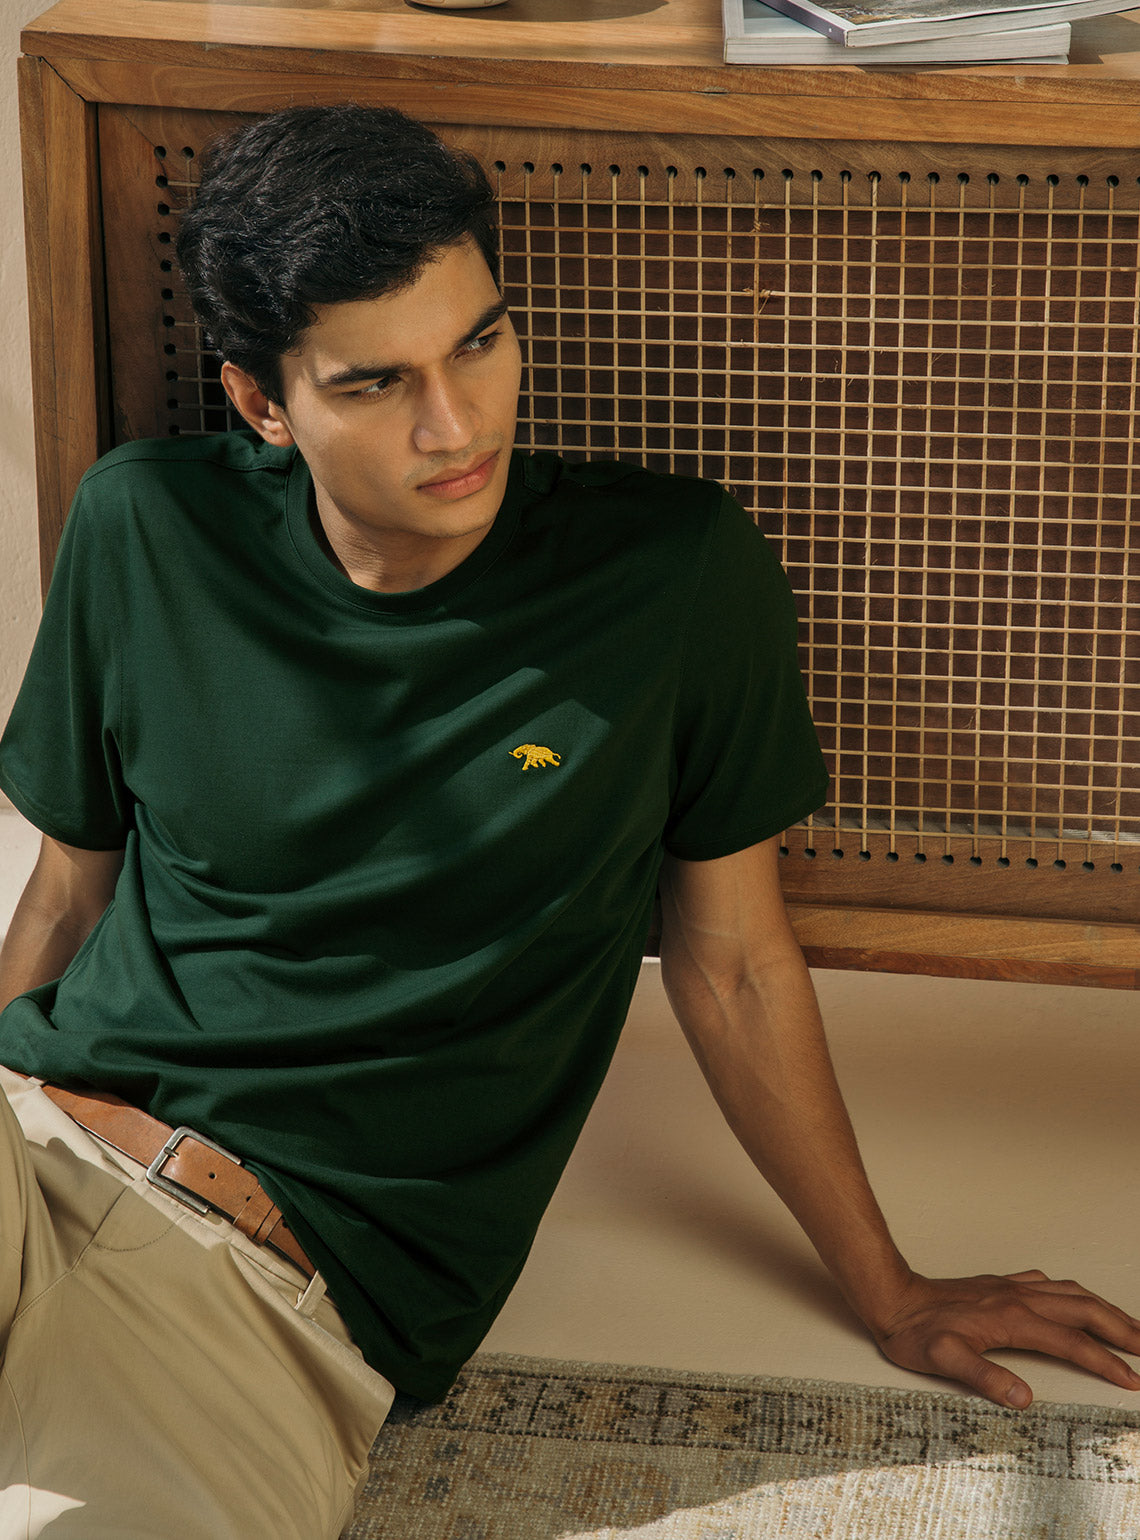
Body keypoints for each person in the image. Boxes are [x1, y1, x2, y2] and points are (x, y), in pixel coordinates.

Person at [0, 103, 1136, 1539]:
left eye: (478, 343)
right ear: (263, 405)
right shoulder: (145, 526)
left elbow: (733, 963)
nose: (456, 425)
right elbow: (68, 895)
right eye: (376, 384)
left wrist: (891, 1287)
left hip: (271, 1301)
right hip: (35, 1146)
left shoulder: (669, 580)